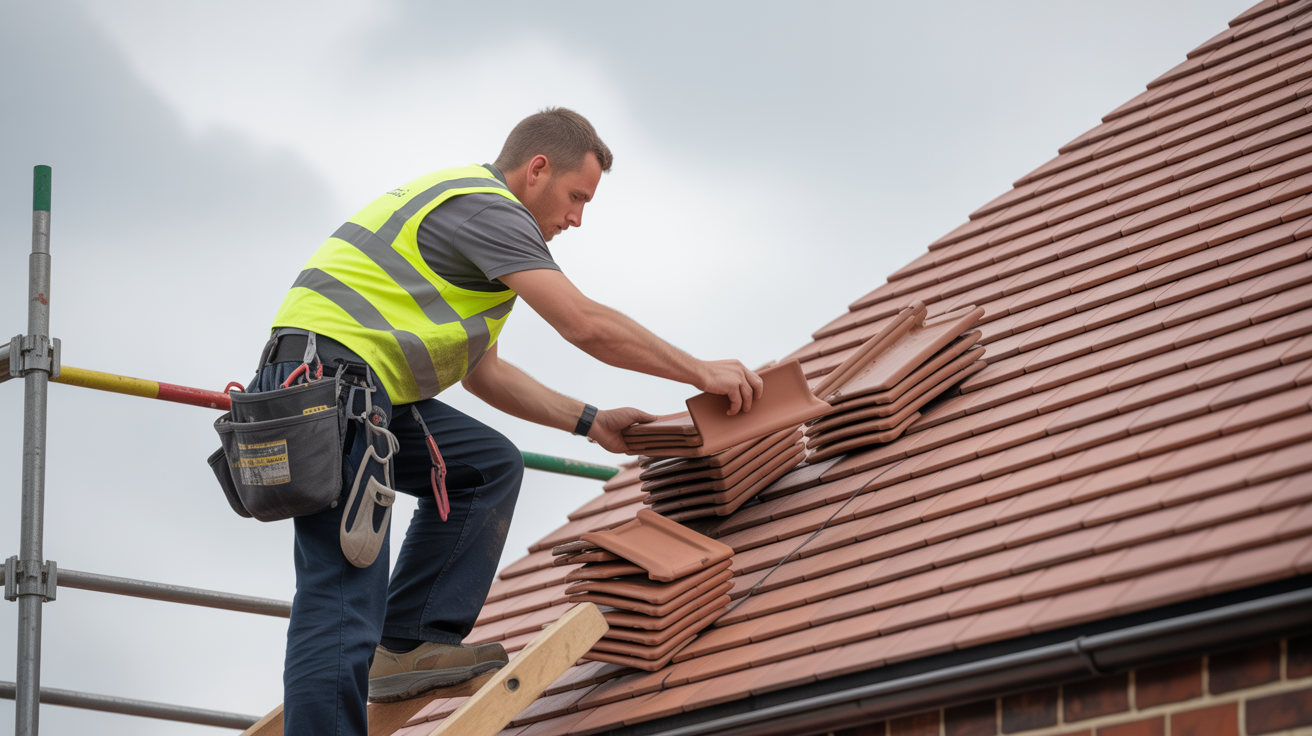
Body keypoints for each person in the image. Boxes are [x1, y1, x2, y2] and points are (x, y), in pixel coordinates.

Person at [250, 107, 763, 735]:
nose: (577, 218)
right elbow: (585, 324)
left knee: (485, 464)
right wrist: (698, 371)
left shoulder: (482, 236)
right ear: (537, 170)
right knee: (341, 596)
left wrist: (591, 420)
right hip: (329, 389)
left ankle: (410, 644)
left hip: (362, 393)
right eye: (577, 197)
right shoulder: (490, 210)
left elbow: (484, 373)